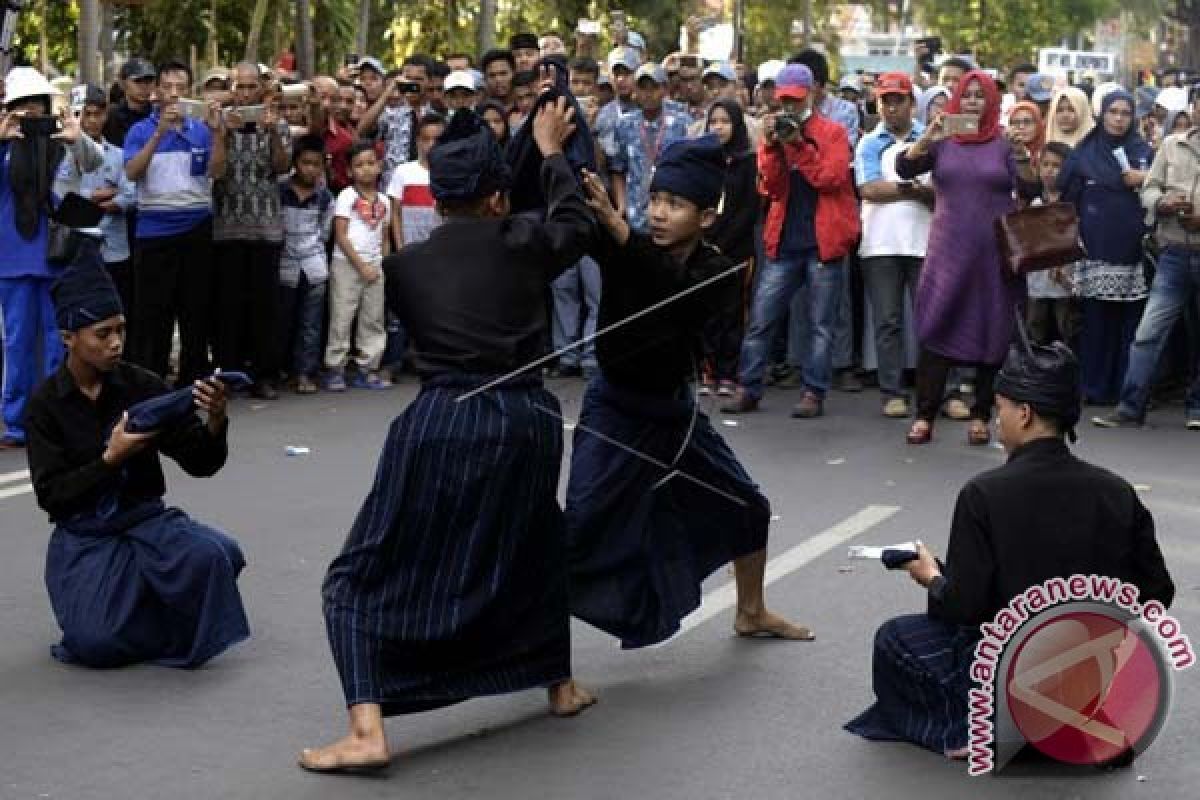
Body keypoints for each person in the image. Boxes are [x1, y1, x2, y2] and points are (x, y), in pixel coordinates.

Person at [300, 102, 596, 774]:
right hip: (528, 420)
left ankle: (368, 729)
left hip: (444, 420)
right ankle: (562, 686)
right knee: (532, 547)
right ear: (496, 196)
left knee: (358, 574)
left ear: (437, 198)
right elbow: (574, 223)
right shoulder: (522, 238)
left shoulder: (407, 269)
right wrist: (549, 153)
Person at [846, 337, 1175, 759]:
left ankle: (971, 725)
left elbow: (966, 606)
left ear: (1024, 413)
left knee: (893, 638)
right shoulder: (1116, 492)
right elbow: (1157, 592)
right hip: (1087, 672)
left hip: (1010, 671)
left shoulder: (984, 493)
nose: (998, 419)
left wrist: (931, 576)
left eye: (1000, 408)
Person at [566, 138, 812, 652]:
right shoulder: (620, 241)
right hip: (614, 409)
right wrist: (553, 150)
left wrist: (624, 236)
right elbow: (571, 211)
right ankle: (546, 661)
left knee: (747, 505)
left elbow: (677, 293)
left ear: (704, 217)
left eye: (674, 205)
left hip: (673, 416)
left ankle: (751, 611)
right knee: (580, 529)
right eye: (655, 199)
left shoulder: (719, 270)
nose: (657, 213)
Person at [25, 245, 250, 668]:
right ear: (68, 337)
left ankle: (149, 599)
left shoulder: (140, 386)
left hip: (147, 522)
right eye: (103, 333)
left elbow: (200, 462)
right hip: (87, 536)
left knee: (221, 556)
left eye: (121, 330)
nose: (115, 343)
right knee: (95, 642)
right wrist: (109, 459)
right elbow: (53, 497)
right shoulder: (45, 405)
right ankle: (147, 607)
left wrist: (216, 419)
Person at [895, 70, 1036, 446]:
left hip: (994, 254)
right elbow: (904, 169)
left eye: (980, 96)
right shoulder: (943, 141)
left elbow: (1031, 188)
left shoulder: (1004, 143)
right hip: (948, 252)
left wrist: (1022, 154)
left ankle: (980, 414)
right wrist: (927, 137)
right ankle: (924, 415)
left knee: (993, 330)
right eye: (967, 95)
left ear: (991, 102)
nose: (973, 101)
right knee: (936, 326)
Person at [721, 64, 860, 419]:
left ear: (811, 93)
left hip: (822, 239)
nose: (790, 107)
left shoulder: (832, 132)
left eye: (796, 100)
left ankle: (814, 391)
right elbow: (771, 187)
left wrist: (798, 145)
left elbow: (830, 179)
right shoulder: (777, 131)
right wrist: (770, 148)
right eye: (784, 100)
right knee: (762, 318)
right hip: (784, 239)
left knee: (820, 323)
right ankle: (748, 386)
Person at [0, 69, 101, 450]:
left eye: (36, 106)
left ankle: (58, 420)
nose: (29, 113)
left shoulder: (64, 143)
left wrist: (78, 138)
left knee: (60, 344)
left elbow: (94, 163)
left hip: (58, 256)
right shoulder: (4, 146)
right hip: (11, 258)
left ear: (47, 107)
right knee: (16, 345)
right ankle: (16, 424)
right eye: (21, 107)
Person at [1094, 98, 1200, 431]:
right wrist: (1163, 203)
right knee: (1147, 333)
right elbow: (1150, 188)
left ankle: (1196, 407)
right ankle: (1130, 407)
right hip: (1173, 253)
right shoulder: (1172, 144)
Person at [124, 60, 226, 387]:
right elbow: (131, 173)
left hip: (196, 228)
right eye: (167, 87)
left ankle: (192, 384)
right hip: (154, 232)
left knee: (195, 311)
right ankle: (151, 384)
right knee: (154, 315)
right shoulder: (140, 130)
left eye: (181, 88)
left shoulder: (201, 128)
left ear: (190, 92)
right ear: (157, 92)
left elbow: (216, 172)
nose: (174, 94)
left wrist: (218, 134)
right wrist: (159, 134)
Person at [1057, 90, 1152, 406]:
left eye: (1126, 113)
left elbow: (1160, 189)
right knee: (1096, 323)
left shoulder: (1143, 152)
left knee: (1130, 326)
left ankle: (1124, 390)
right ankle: (1093, 387)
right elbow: (1066, 199)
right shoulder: (1084, 152)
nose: (1119, 119)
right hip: (1094, 249)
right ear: (1102, 115)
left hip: (1134, 251)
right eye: (1113, 112)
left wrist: (1144, 179)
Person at [855, 72, 934, 419]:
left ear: (911, 103)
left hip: (926, 242)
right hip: (880, 243)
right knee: (887, 321)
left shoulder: (930, 140)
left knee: (930, 320)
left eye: (897, 100)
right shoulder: (870, 142)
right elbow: (869, 189)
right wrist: (913, 187)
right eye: (885, 100)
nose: (890, 107)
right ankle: (892, 391)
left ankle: (938, 392)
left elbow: (941, 192)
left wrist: (902, 187)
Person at [212, 63, 290, 400]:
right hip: (227, 228)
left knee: (265, 307)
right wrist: (221, 134)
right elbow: (215, 171)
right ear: (231, 88)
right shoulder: (217, 121)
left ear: (262, 87)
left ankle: (264, 375)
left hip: (266, 228)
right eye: (239, 87)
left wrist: (272, 132)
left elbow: (283, 167)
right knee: (227, 306)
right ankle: (228, 374)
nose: (245, 93)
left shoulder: (277, 122)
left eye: (251, 86)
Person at [699, 99, 759, 396]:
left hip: (736, 250)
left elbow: (749, 208)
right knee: (707, 313)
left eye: (724, 122)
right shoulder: (704, 160)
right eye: (714, 121)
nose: (718, 127)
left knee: (733, 314)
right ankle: (707, 371)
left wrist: (723, 243)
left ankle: (729, 373)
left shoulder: (748, 161)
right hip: (706, 247)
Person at [322, 142, 391, 391]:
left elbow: (384, 236)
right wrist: (361, 266)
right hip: (347, 264)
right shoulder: (346, 196)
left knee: (373, 318)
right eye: (359, 165)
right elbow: (341, 235)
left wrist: (382, 263)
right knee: (342, 316)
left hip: (374, 265)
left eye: (371, 163)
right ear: (350, 171)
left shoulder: (384, 200)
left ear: (380, 166)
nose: (366, 170)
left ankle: (368, 367)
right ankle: (335, 367)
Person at [76, 85, 137, 333]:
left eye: (97, 114)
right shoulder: (61, 153)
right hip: (76, 248)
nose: (92, 120)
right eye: (86, 113)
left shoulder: (119, 155)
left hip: (115, 248)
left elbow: (130, 196)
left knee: (116, 312)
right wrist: (102, 194)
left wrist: (90, 201)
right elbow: (63, 197)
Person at [279, 135, 334, 395]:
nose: (310, 169)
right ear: (295, 163)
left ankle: (305, 372)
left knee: (310, 324)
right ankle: (284, 369)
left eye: (316, 164)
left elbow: (324, 233)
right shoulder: (281, 190)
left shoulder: (324, 197)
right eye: (305, 163)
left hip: (314, 267)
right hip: (285, 265)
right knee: (284, 320)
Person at [607, 64, 691, 234]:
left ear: (665, 89)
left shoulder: (683, 123)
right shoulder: (624, 124)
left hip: (670, 213)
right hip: (635, 214)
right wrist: (622, 205)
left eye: (654, 87)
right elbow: (617, 169)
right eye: (642, 88)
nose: (648, 93)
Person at [1025, 142, 1082, 347]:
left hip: (1065, 278)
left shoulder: (1074, 202)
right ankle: (1036, 376)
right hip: (1038, 280)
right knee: (1035, 329)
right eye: (1045, 164)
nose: (1050, 171)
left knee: (1066, 329)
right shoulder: (1035, 202)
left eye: (1057, 166)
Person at [387, 113, 445, 250]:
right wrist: (400, 247)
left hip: (440, 250)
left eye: (437, 140)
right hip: (409, 248)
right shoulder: (403, 172)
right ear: (418, 141)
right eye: (426, 139)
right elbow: (395, 213)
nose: (431, 144)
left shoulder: (451, 174)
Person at [103, 58, 156, 148]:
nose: (144, 86)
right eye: (137, 81)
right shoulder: (110, 116)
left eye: (148, 81)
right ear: (122, 83)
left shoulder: (158, 115)